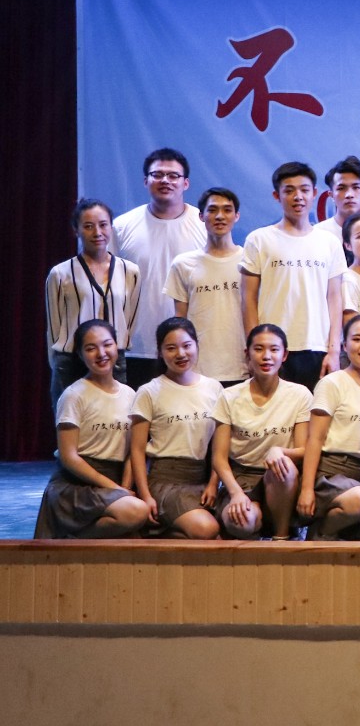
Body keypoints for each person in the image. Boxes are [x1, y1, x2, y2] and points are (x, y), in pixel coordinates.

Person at [34, 320, 150, 538]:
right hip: (77, 486)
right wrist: (115, 489)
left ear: (117, 346)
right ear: (80, 354)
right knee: (136, 512)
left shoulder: (130, 395)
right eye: (91, 348)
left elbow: (132, 451)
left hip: (114, 484)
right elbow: (69, 457)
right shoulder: (73, 395)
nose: (101, 353)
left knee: (138, 522)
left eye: (107, 344)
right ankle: (65, 536)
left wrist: (125, 487)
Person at [241, 161, 346, 390]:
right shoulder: (259, 239)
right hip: (272, 349)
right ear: (277, 196)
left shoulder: (329, 242)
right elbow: (248, 298)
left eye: (304, 190)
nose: (298, 196)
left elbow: (335, 298)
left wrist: (334, 350)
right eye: (289, 190)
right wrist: (254, 347)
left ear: (314, 193)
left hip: (317, 347)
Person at [112, 147, 205, 389]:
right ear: (146, 181)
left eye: (173, 175)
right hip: (136, 347)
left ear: (185, 183)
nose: (165, 180)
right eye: (158, 175)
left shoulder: (205, 224)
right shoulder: (122, 226)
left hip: (190, 348)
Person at [212, 323, 312, 540]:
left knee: (284, 465)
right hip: (242, 477)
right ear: (247, 354)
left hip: (281, 480)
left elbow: (305, 450)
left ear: (284, 355)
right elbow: (219, 458)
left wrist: (281, 451)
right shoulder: (229, 396)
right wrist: (236, 493)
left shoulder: (300, 395)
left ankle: (282, 537)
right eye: (258, 349)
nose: (266, 356)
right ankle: (257, 523)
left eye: (274, 349)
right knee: (241, 523)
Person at [130, 317, 223, 539]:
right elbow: (137, 450)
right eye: (171, 348)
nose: (181, 354)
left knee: (227, 531)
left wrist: (213, 483)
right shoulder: (149, 392)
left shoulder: (214, 388)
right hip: (165, 482)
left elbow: (220, 447)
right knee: (207, 530)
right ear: (160, 352)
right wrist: (145, 495)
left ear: (197, 345)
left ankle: (158, 533)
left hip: (202, 481)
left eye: (187, 345)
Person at [297, 314, 360, 539]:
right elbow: (315, 439)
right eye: (357, 339)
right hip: (330, 473)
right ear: (344, 346)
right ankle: (320, 534)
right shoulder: (332, 383)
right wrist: (306, 489)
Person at [46, 198, 140, 408]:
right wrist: (58, 364)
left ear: (111, 227)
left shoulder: (130, 271)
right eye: (88, 226)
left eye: (103, 225)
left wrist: (118, 347)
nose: (97, 232)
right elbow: (54, 326)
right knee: (71, 421)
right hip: (71, 361)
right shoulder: (61, 274)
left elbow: (129, 318)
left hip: (113, 360)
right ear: (76, 230)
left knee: (114, 419)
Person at [165, 187, 247, 386]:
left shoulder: (250, 261)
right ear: (201, 216)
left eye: (227, 210)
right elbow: (180, 320)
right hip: (198, 370)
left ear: (236, 216)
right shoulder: (183, 264)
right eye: (212, 210)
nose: (220, 216)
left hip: (243, 367)